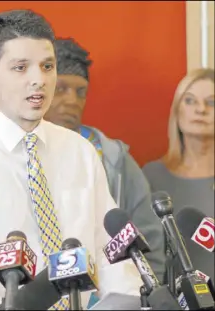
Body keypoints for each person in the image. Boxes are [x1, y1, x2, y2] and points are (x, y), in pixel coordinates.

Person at [0, 9, 144, 310]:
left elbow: (109, 251)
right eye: (21, 68)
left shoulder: (80, 151)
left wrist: (125, 301)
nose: (38, 80)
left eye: (47, 66)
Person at [44, 38, 166, 284]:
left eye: (80, 92)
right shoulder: (15, 153)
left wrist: (147, 294)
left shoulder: (114, 159)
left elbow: (149, 238)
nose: (72, 101)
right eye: (61, 88)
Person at [143, 68, 214, 281]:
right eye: (190, 101)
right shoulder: (152, 176)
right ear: (177, 110)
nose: (200, 110)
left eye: (211, 102)